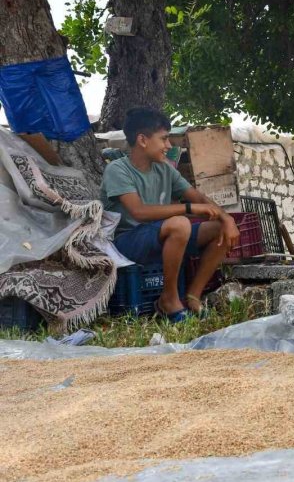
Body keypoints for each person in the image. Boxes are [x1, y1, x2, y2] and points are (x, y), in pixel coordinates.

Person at [101, 107, 240, 322]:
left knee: (219, 229)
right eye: (164, 139)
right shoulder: (118, 170)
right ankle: (168, 299)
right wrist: (188, 209)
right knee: (180, 224)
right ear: (142, 140)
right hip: (126, 242)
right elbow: (139, 212)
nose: (168, 146)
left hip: (160, 234)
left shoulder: (164, 169)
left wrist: (226, 218)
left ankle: (193, 296)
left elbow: (199, 198)